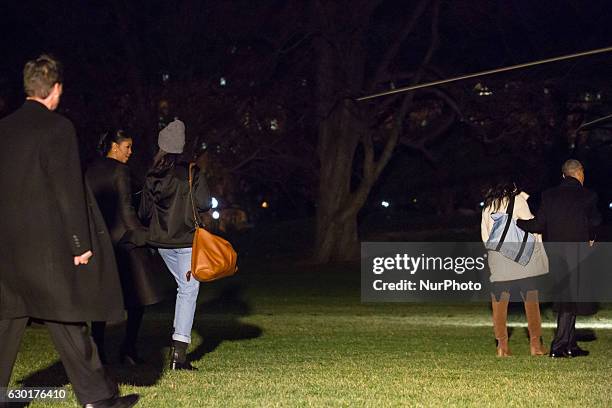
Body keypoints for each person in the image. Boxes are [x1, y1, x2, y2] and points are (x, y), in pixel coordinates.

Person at [0, 55, 138, 407]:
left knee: (7, 322)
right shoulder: (57, 128)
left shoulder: (3, 129)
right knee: (68, 318)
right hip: (46, 250)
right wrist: (81, 242)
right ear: (56, 88)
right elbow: (67, 189)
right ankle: (98, 399)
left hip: (7, 250)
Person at [86, 129, 168, 365]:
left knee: (101, 301)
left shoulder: (90, 170)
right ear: (114, 146)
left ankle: (99, 351)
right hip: (124, 243)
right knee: (137, 299)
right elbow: (126, 209)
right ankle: (128, 348)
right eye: (127, 147)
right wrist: (145, 235)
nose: (130, 152)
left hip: (100, 242)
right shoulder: (120, 171)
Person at [138, 120, 211, 370]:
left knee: (185, 288)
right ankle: (178, 353)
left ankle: (177, 349)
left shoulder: (152, 175)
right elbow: (204, 204)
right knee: (188, 290)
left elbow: (145, 212)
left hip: (161, 241)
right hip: (186, 239)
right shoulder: (192, 172)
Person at [517, 159, 602, 358]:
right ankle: (559, 346)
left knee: (568, 298)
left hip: (554, 254)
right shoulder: (588, 195)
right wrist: (590, 236)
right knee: (569, 300)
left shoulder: (549, 195)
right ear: (580, 174)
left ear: (563, 175)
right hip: (578, 254)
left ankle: (571, 345)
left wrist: (518, 222)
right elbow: (596, 221)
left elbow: (538, 225)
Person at [481, 180, 549, 357]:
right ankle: (535, 345)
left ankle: (502, 346)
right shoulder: (518, 201)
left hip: (498, 259)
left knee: (499, 304)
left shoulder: (488, 206)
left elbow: (486, 237)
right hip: (520, 259)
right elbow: (533, 228)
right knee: (531, 302)